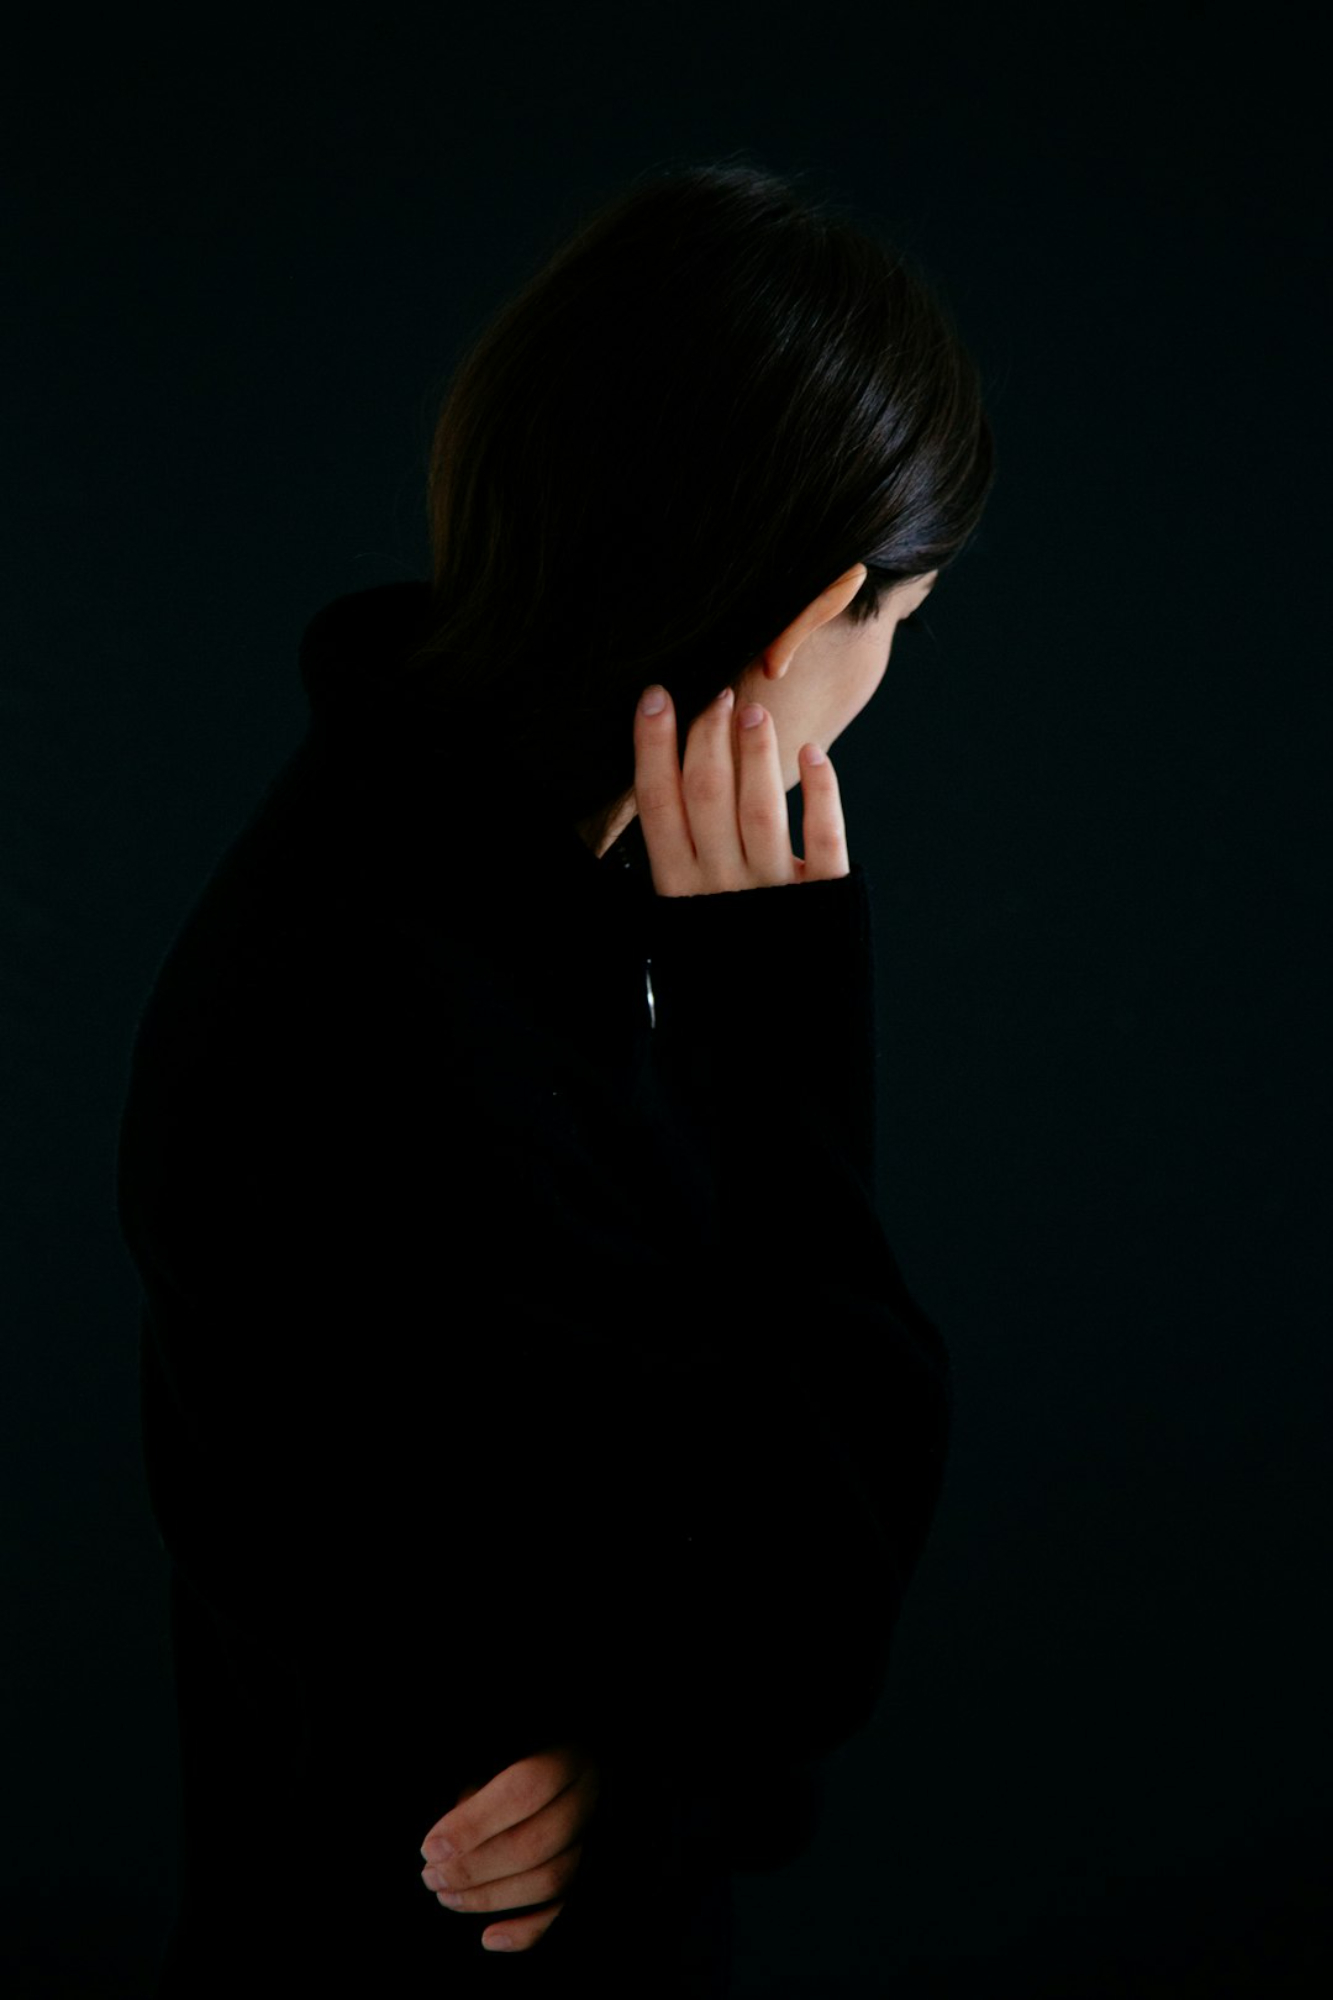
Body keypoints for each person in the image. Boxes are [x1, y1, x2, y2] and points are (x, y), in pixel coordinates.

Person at [115, 158, 995, 1996]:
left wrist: (656, 1763)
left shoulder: (436, 861)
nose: (880, 677)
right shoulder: (428, 998)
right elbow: (803, 1607)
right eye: (895, 627)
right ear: (803, 618)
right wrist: (785, 1036)